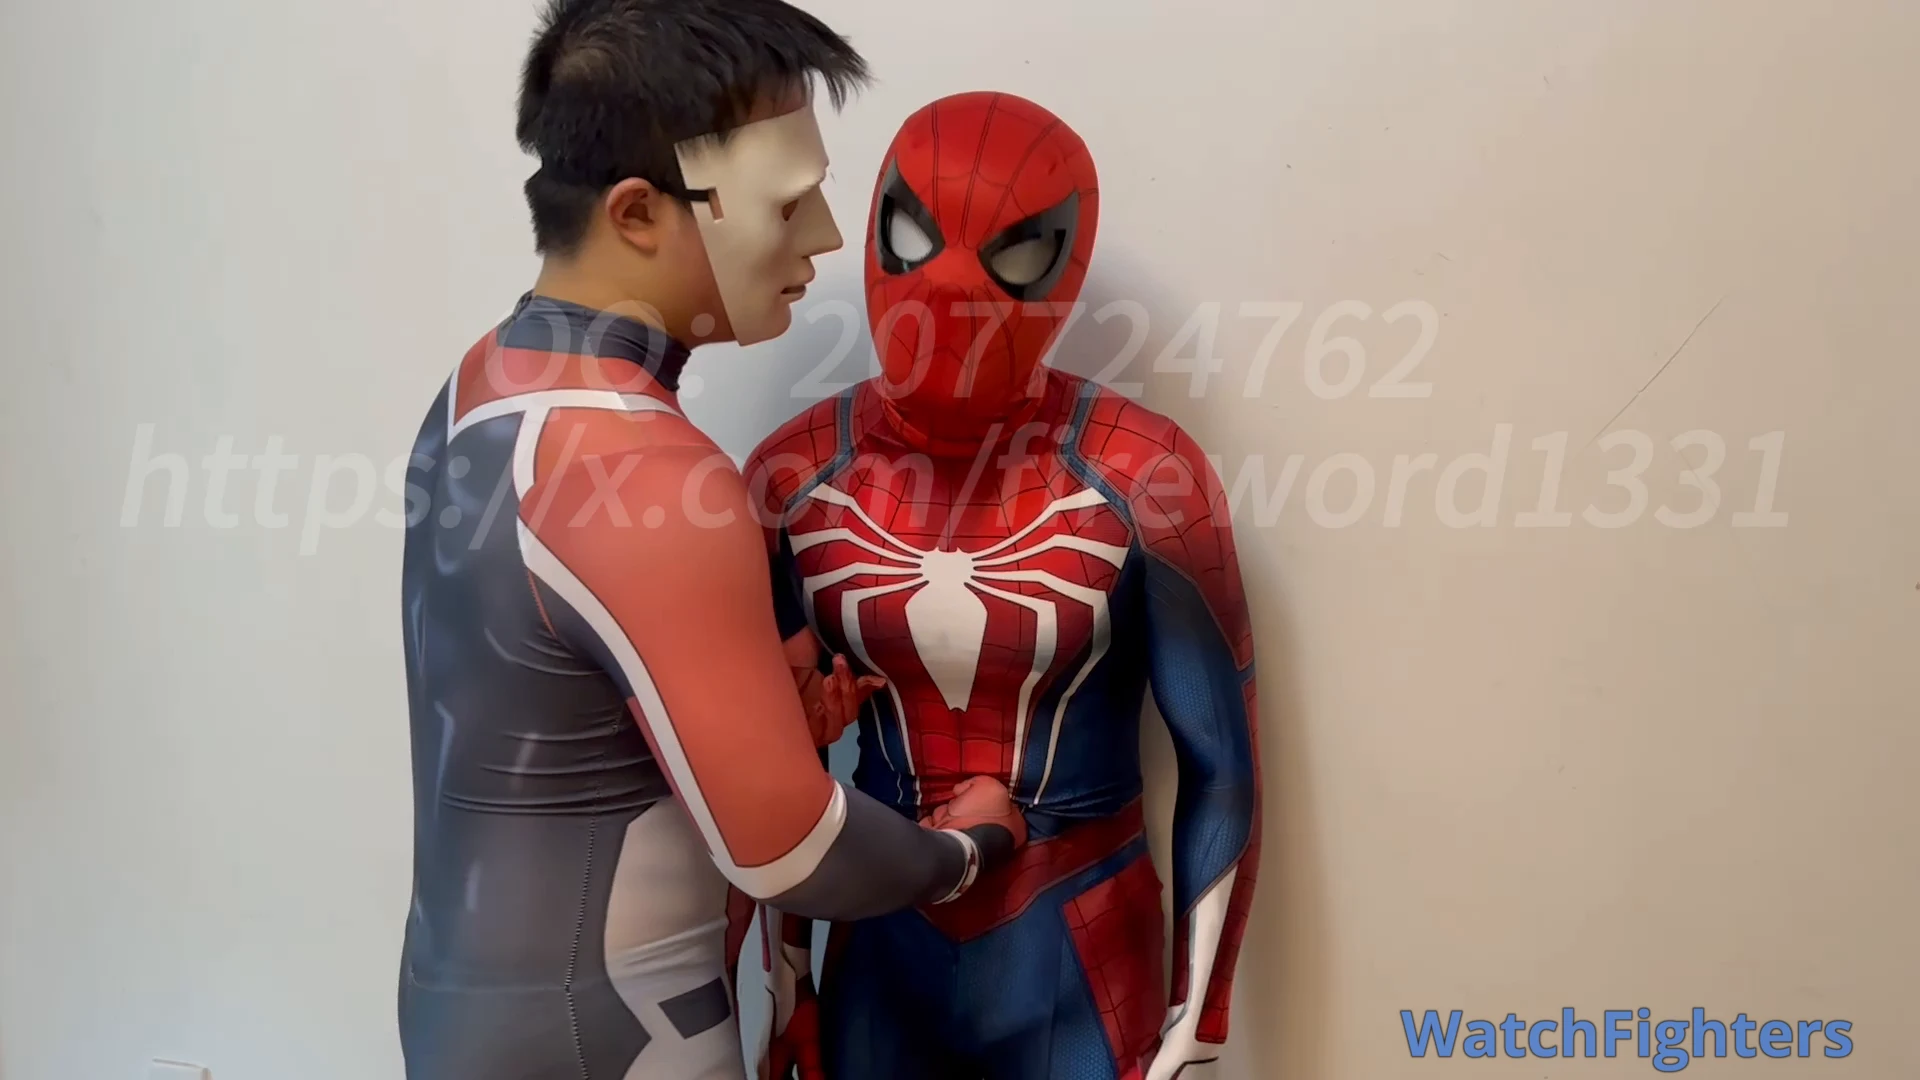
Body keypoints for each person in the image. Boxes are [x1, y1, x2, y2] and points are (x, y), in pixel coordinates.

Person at [394, 6, 1027, 1079]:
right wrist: (969, 848)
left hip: (466, 1006)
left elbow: (546, 702)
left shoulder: (483, 382)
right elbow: (790, 850)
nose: (826, 238)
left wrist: (746, 720)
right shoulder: (648, 471)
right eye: (787, 203)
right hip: (616, 1031)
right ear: (638, 213)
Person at [743, 91, 1263, 1080]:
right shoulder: (792, 476)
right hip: (886, 938)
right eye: (917, 237)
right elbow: (772, 761)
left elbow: (1222, 765)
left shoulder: (1147, 477)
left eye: (1010, 253)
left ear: (1064, 258)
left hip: (1073, 936)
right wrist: (786, 982)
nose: (948, 291)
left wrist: (1201, 1014)